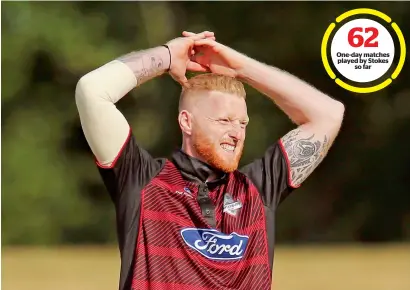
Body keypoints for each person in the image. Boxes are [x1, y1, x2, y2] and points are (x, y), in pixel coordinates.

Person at [75, 30, 344, 290]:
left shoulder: (257, 190)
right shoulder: (142, 181)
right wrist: (168, 56)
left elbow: (329, 114)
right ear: (186, 122)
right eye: (224, 121)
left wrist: (241, 68)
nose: (236, 133)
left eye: (242, 123)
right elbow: (91, 91)